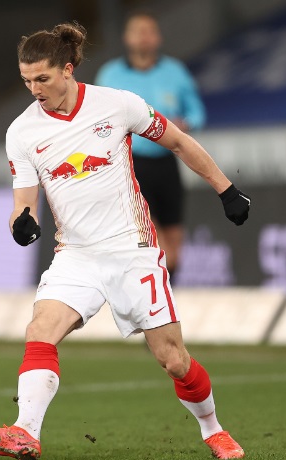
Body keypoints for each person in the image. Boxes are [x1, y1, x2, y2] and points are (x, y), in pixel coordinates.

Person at [0, 22, 250, 460]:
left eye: (42, 78)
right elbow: (24, 201)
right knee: (40, 330)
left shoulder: (117, 104)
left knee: (173, 359)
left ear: (67, 69)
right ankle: (25, 432)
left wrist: (225, 189)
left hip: (132, 249)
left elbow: (178, 142)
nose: (34, 89)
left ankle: (214, 430)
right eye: (26, 80)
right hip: (76, 254)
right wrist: (22, 222)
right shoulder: (21, 132)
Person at [95, 11, 206, 275]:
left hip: (167, 162)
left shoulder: (175, 73)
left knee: (174, 249)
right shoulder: (110, 75)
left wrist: (185, 124)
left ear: (158, 37)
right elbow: (97, 118)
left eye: (149, 31)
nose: (144, 37)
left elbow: (197, 112)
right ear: (127, 38)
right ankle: (153, 297)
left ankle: (166, 294)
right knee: (157, 244)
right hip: (132, 167)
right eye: (138, 31)